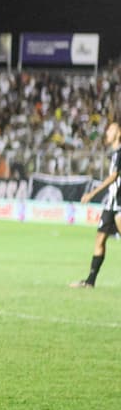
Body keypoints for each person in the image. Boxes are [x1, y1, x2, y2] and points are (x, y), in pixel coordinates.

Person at [71, 121, 121, 288]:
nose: (107, 132)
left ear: (119, 133)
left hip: (119, 204)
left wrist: (92, 193)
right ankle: (90, 281)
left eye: (111, 129)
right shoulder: (113, 153)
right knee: (100, 239)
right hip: (111, 205)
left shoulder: (120, 153)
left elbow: (113, 177)